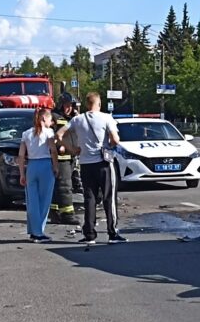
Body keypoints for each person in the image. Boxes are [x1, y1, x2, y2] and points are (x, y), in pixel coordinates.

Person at [57, 92, 125, 245]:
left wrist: (72, 149)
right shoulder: (107, 118)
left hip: (85, 164)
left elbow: (59, 135)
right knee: (109, 198)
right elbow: (115, 139)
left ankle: (89, 234)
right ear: (99, 103)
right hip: (104, 164)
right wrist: (109, 146)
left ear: (87, 104)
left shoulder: (77, 120)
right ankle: (112, 233)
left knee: (89, 199)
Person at [18, 107, 59, 243]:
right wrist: (56, 166)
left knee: (32, 201)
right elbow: (53, 151)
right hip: (46, 166)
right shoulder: (49, 133)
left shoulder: (26, 134)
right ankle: (38, 232)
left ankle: (33, 230)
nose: (51, 122)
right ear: (43, 119)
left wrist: (22, 174)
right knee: (44, 201)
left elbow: (21, 155)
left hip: (32, 166)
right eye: (49, 119)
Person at [49, 93, 80, 226]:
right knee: (65, 187)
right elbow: (50, 136)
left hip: (71, 157)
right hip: (61, 157)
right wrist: (58, 146)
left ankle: (55, 213)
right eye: (67, 105)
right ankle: (68, 214)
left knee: (58, 187)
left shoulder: (74, 118)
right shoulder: (54, 117)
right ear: (61, 105)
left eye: (71, 106)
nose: (69, 108)